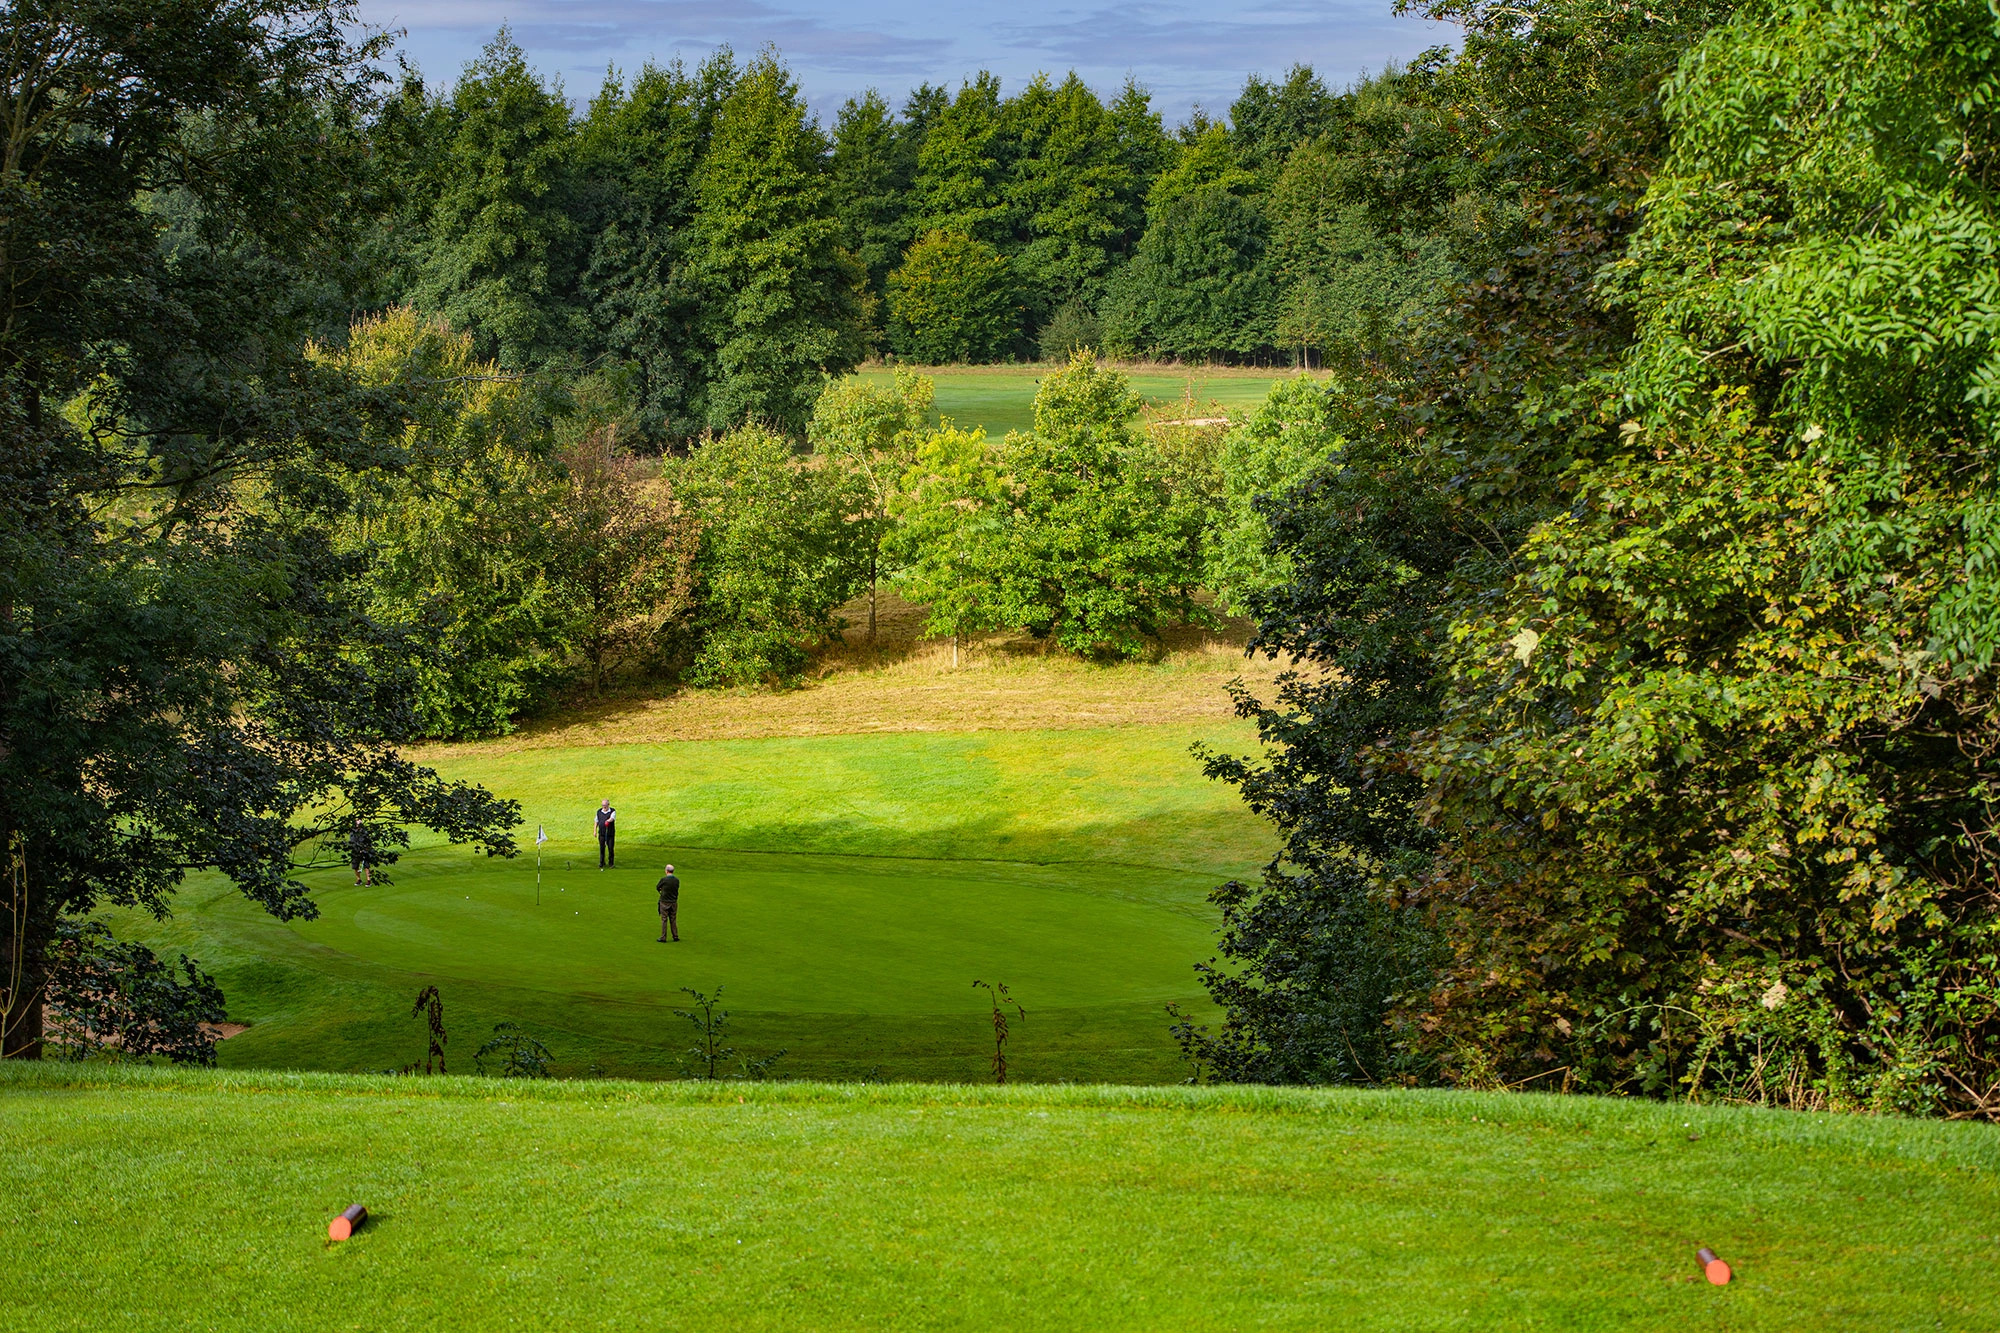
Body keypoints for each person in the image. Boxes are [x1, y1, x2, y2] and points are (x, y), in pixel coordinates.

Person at [656, 864, 680, 942]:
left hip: (664, 902)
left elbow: (657, 887)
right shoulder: (676, 880)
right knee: (673, 919)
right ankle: (675, 936)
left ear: (666, 871)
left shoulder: (664, 879)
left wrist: (662, 890)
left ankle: (663, 937)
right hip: (673, 902)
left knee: (664, 919)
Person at [348, 816, 373, 886]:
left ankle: (368, 880)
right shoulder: (353, 832)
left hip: (364, 851)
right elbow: (352, 842)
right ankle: (358, 879)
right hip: (355, 851)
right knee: (355, 866)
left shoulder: (364, 832)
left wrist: (364, 849)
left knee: (366, 866)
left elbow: (368, 842)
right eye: (357, 824)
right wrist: (357, 849)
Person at [595, 798, 616, 869]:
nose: (604, 807)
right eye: (603, 805)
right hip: (602, 833)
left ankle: (611, 863)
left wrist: (608, 821)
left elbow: (612, 818)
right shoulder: (599, 811)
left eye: (605, 805)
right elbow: (596, 821)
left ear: (608, 805)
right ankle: (602, 863)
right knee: (602, 848)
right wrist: (594, 831)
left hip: (610, 834)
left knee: (610, 848)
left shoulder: (612, 811)